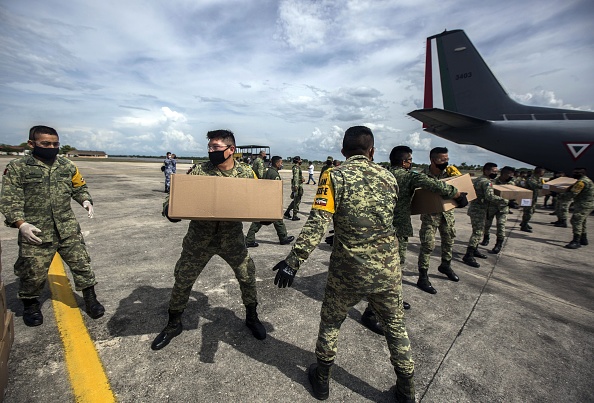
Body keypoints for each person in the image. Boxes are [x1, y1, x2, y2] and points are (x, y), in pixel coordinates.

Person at [272, 126, 415, 402]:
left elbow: (318, 222)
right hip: (387, 270)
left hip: (348, 271)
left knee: (331, 324)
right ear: (372, 151)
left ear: (342, 151)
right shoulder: (389, 177)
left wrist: (294, 261)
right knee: (396, 328)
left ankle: (323, 380)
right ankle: (407, 390)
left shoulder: (334, 176)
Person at [151, 130, 266, 351]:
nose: (210, 151)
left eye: (216, 147)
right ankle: (174, 323)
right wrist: (170, 210)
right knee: (183, 278)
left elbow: (258, 200)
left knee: (247, 276)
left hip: (231, 238)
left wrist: (265, 216)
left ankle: (252, 317)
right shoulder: (199, 171)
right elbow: (174, 197)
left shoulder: (246, 172)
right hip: (199, 238)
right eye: (210, 147)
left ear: (231, 150)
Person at [0, 125, 104, 327]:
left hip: (67, 228)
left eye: (55, 143)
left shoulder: (67, 166)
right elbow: (8, 200)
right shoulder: (18, 167)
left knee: (82, 265)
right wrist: (21, 224)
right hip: (35, 230)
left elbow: (79, 186)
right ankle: (30, 304)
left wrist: (85, 200)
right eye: (45, 143)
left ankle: (90, 299)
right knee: (33, 271)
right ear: (32, 144)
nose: (51, 146)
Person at [360, 145, 466, 335]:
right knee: (391, 271)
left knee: (383, 268)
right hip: (396, 230)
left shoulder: (381, 173)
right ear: (404, 161)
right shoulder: (408, 176)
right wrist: (457, 194)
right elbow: (436, 185)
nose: (411, 163)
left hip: (377, 228)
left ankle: (394, 300)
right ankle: (371, 314)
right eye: (410, 160)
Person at [416, 147, 462, 295]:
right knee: (427, 245)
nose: (446, 162)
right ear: (433, 160)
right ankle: (423, 276)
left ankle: (445, 265)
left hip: (447, 215)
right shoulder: (423, 176)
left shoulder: (450, 174)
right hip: (430, 216)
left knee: (449, 241)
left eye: (447, 159)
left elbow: (461, 187)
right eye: (443, 160)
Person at [463, 163, 508, 268]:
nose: (495, 173)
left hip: (476, 209)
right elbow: (489, 197)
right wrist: (505, 201)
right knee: (477, 233)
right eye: (493, 171)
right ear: (486, 171)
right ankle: (468, 255)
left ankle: (475, 250)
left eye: (496, 172)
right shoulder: (486, 182)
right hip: (479, 210)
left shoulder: (478, 180)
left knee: (479, 231)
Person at [245, 156, 295, 247]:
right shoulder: (274, 174)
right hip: (271, 201)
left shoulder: (267, 171)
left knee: (270, 220)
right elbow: (276, 189)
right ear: (277, 163)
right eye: (280, 163)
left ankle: (282, 238)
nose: (281, 164)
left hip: (265, 199)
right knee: (267, 220)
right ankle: (250, 239)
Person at [481, 166, 515, 254]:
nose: (511, 176)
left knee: (501, 225)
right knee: (487, 224)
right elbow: (489, 195)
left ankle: (498, 244)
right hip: (491, 207)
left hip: (503, 208)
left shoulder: (512, 183)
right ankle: (486, 237)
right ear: (503, 174)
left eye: (512, 174)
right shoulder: (493, 182)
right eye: (509, 174)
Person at [565, 168, 593, 249]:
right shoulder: (587, 180)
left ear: (580, 173)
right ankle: (583, 239)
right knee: (582, 221)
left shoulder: (581, 182)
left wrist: (559, 195)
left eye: (575, 173)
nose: (573, 174)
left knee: (576, 220)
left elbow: (573, 193)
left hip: (583, 205)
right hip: (587, 204)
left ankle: (576, 241)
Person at [520, 167, 546, 232]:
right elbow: (535, 185)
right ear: (539, 172)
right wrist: (546, 186)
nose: (543, 173)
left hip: (533, 198)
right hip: (527, 198)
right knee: (528, 212)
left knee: (531, 211)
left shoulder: (539, 179)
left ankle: (524, 223)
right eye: (543, 172)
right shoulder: (531, 179)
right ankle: (524, 226)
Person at [283, 156, 304, 221]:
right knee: (297, 201)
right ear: (298, 161)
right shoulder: (296, 168)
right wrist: (296, 186)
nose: (301, 161)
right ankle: (295, 215)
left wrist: (302, 178)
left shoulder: (297, 167)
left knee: (295, 200)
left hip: (297, 185)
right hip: (298, 186)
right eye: (300, 160)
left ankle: (287, 212)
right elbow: (296, 177)